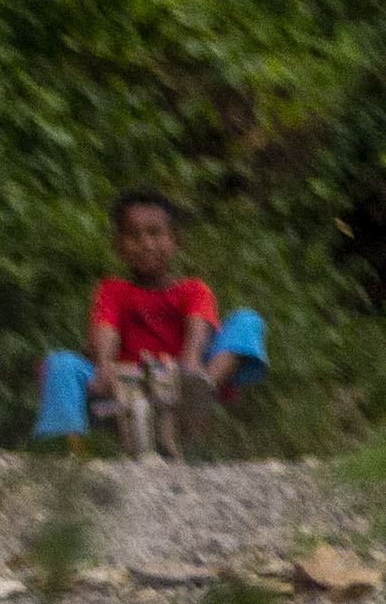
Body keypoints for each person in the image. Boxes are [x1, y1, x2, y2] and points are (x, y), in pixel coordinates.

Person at [30, 190, 270, 447]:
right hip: (123, 384)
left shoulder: (193, 289)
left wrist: (188, 367)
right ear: (119, 246)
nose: (145, 244)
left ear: (176, 240)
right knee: (61, 364)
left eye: (155, 233)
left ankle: (200, 389)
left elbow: (198, 331)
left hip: (179, 378)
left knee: (247, 321)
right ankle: (66, 450)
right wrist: (104, 366)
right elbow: (105, 331)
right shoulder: (112, 290)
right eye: (134, 236)